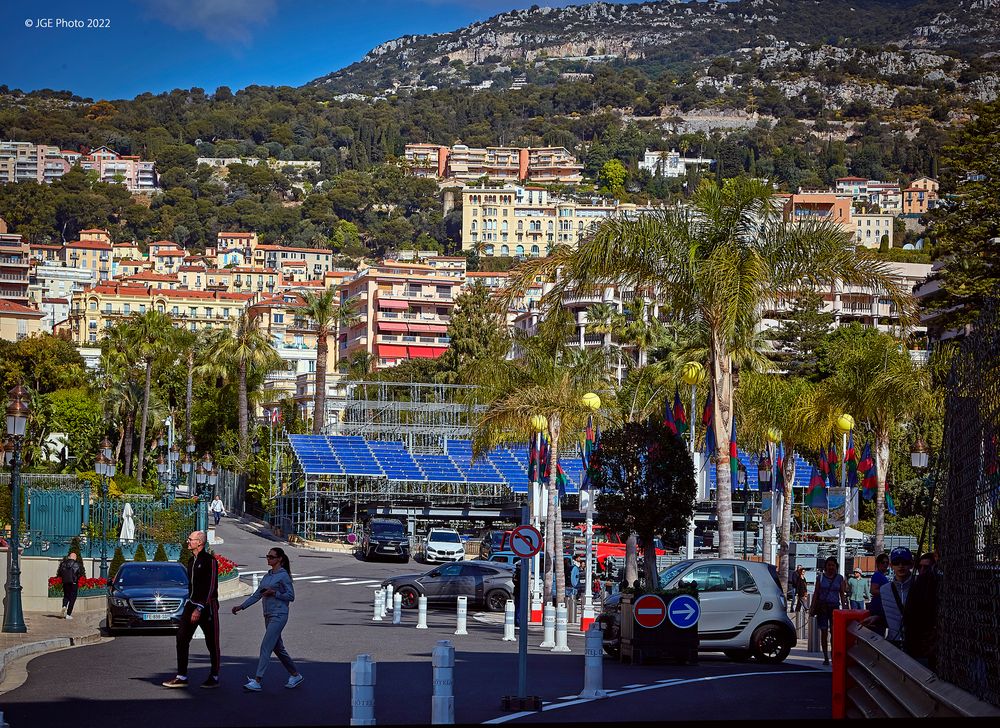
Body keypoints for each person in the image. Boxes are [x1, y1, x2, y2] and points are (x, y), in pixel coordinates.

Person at [232, 547, 303, 691]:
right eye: (267, 556)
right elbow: (257, 595)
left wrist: (274, 593)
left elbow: (291, 596)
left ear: (279, 559)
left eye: (271, 557)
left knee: (266, 646)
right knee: (278, 648)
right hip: (268, 615)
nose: (268, 559)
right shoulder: (267, 576)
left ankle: (257, 681)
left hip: (279, 614)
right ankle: (295, 675)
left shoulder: (283, 576)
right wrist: (241, 606)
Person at [163, 531, 222, 689]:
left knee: (212, 642)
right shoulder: (191, 560)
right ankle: (181, 676)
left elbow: (211, 586)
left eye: (190, 539)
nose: (187, 541)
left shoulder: (210, 561)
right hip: (191, 603)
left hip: (207, 606)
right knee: (181, 638)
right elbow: (192, 586)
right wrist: (190, 603)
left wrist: (200, 607)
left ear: (200, 543)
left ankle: (214, 675)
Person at [862, 547, 915, 653]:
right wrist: (878, 618)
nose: (900, 566)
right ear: (892, 566)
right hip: (894, 643)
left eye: (904, 562)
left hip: (916, 645)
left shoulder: (920, 586)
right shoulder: (885, 589)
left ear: (911, 564)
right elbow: (889, 616)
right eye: (896, 562)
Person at [902, 551, 938, 669]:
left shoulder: (935, 586)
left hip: (929, 641)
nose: (922, 570)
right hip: (914, 640)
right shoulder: (916, 584)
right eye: (920, 567)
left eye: (926, 567)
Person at [811, 556, 848, 665]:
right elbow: (816, 593)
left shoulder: (840, 578)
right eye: (829, 565)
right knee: (823, 631)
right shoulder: (820, 578)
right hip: (822, 607)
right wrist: (812, 608)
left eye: (833, 565)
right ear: (825, 566)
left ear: (836, 566)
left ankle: (833, 654)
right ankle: (826, 657)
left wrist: (845, 608)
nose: (831, 567)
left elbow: (842, 594)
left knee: (834, 632)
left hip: (834, 607)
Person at [56, 552, 83, 620]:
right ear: (75, 557)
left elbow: (59, 572)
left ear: (69, 557)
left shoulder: (63, 564)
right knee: (72, 598)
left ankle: (64, 606)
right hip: (73, 583)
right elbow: (79, 573)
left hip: (65, 582)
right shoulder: (77, 564)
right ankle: (68, 614)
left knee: (66, 595)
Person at [868, 552, 890, 631]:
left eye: (887, 562)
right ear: (878, 563)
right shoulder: (877, 575)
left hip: (881, 606)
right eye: (883, 562)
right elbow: (873, 590)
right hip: (877, 607)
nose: (885, 564)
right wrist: (888, 592)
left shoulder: (882, 575)